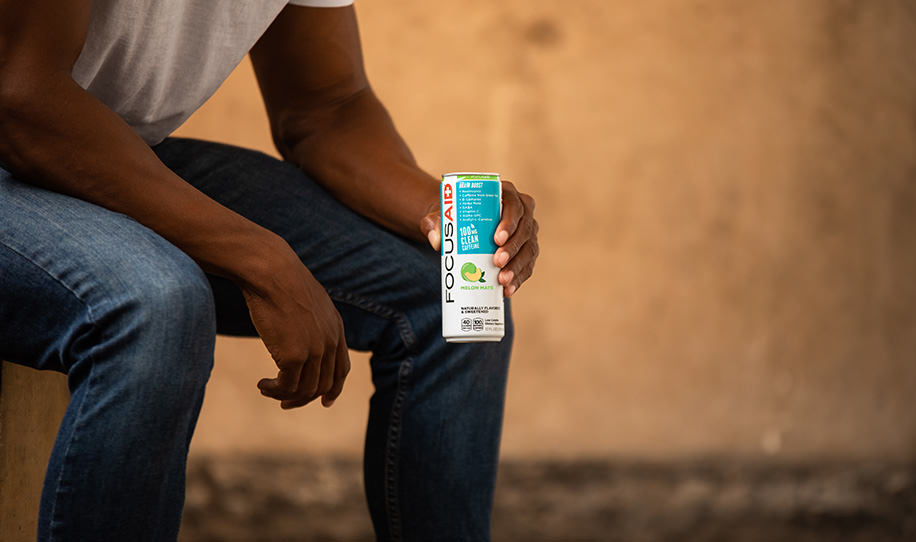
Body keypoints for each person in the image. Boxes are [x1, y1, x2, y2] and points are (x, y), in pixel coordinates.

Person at [0, 1, 539, 541]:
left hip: (117, 150)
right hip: (24, 141)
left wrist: (441, 212)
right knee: (157, 302)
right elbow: (22, 97)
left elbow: (327, 107)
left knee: (448, 294)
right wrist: (264, 260)